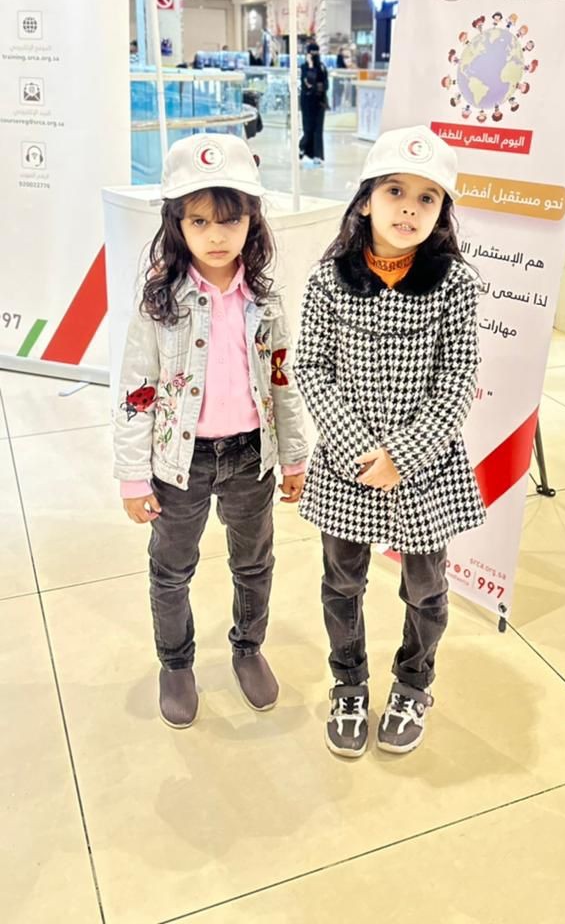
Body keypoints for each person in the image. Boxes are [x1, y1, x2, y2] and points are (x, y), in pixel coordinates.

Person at [294, 124, 485, 758]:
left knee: (425, 588)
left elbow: (457, 378)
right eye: (396, 191)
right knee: (342, 582)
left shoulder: (455, 283)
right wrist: (357, 448)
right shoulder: (329, 279)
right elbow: (312, 368)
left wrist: (403, 455)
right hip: (346, 466)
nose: (409, 208)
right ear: (365, 201)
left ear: (442, 211)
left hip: (424, 470)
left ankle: (413, 681)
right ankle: (348, 682)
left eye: (427, 198)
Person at [113, 132, 307, 730]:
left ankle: (248, 648)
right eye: (199, 221)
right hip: (181, 463)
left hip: (252, 457)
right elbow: (136, 390)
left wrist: (295, 456)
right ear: (177, 224)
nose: (216, 236)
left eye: (230, 220)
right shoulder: (160, 301)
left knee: (254, 562)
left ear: (252, 220)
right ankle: (176, 663)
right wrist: (132, 476)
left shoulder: (265, 300)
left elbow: (283, 380)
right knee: (172, 568)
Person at [299, 40, 329, 166]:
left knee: (318, 129)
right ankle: (302, 147)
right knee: (308, 128)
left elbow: (325, 85)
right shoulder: (304, 67)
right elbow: (308, 83)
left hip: (319, 102)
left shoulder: (322, 67)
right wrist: (311, 67)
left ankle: (317, 155)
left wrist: (315, 86)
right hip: (307, 102)